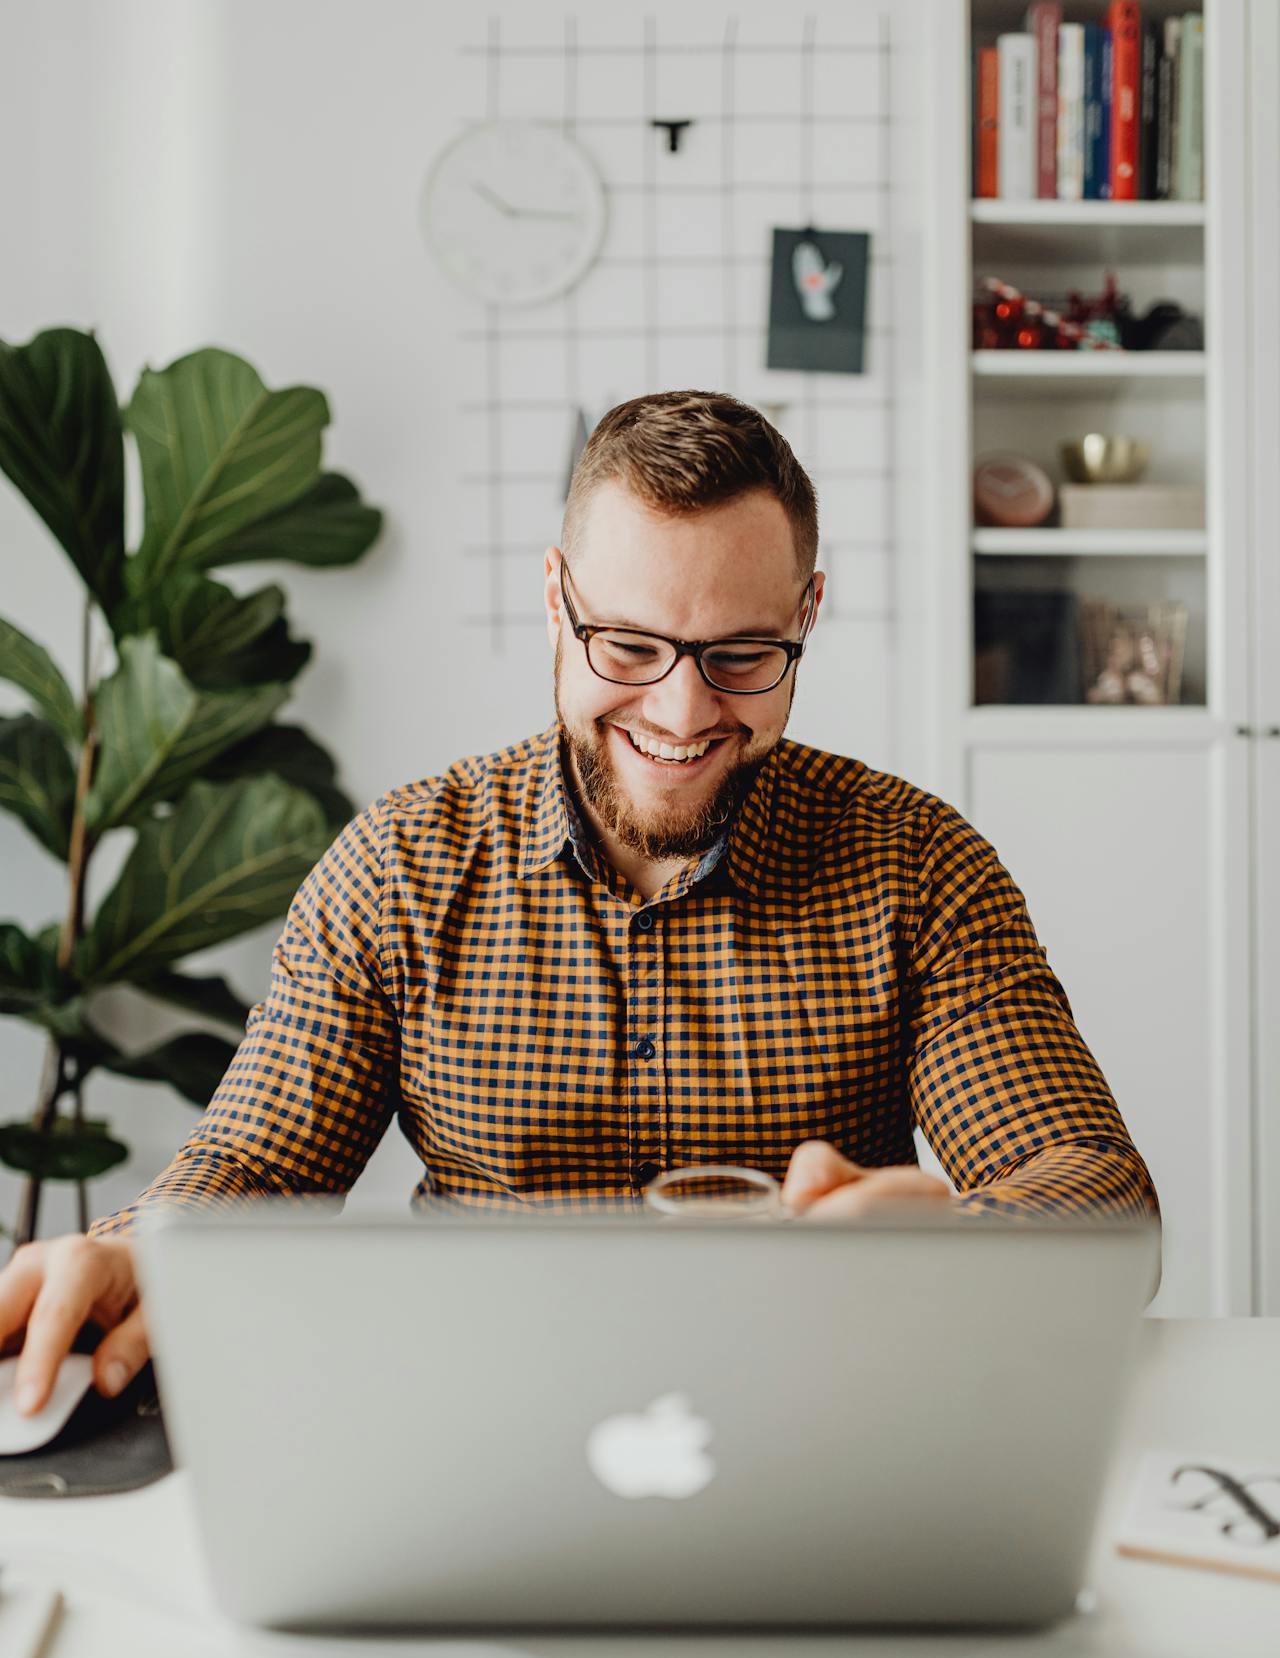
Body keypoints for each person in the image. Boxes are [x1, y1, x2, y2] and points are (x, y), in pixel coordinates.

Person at [0, 390, 1157, 1420]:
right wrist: (137, 1251)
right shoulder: (397, 867)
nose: (682, 713)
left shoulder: (916, 865)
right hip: (482, 1427)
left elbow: (1092, 1190)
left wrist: (958, 1248)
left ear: (806, 613)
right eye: (630, 644)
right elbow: (252, 1162)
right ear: (556, 601)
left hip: (821, 1421)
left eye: (741, 654)